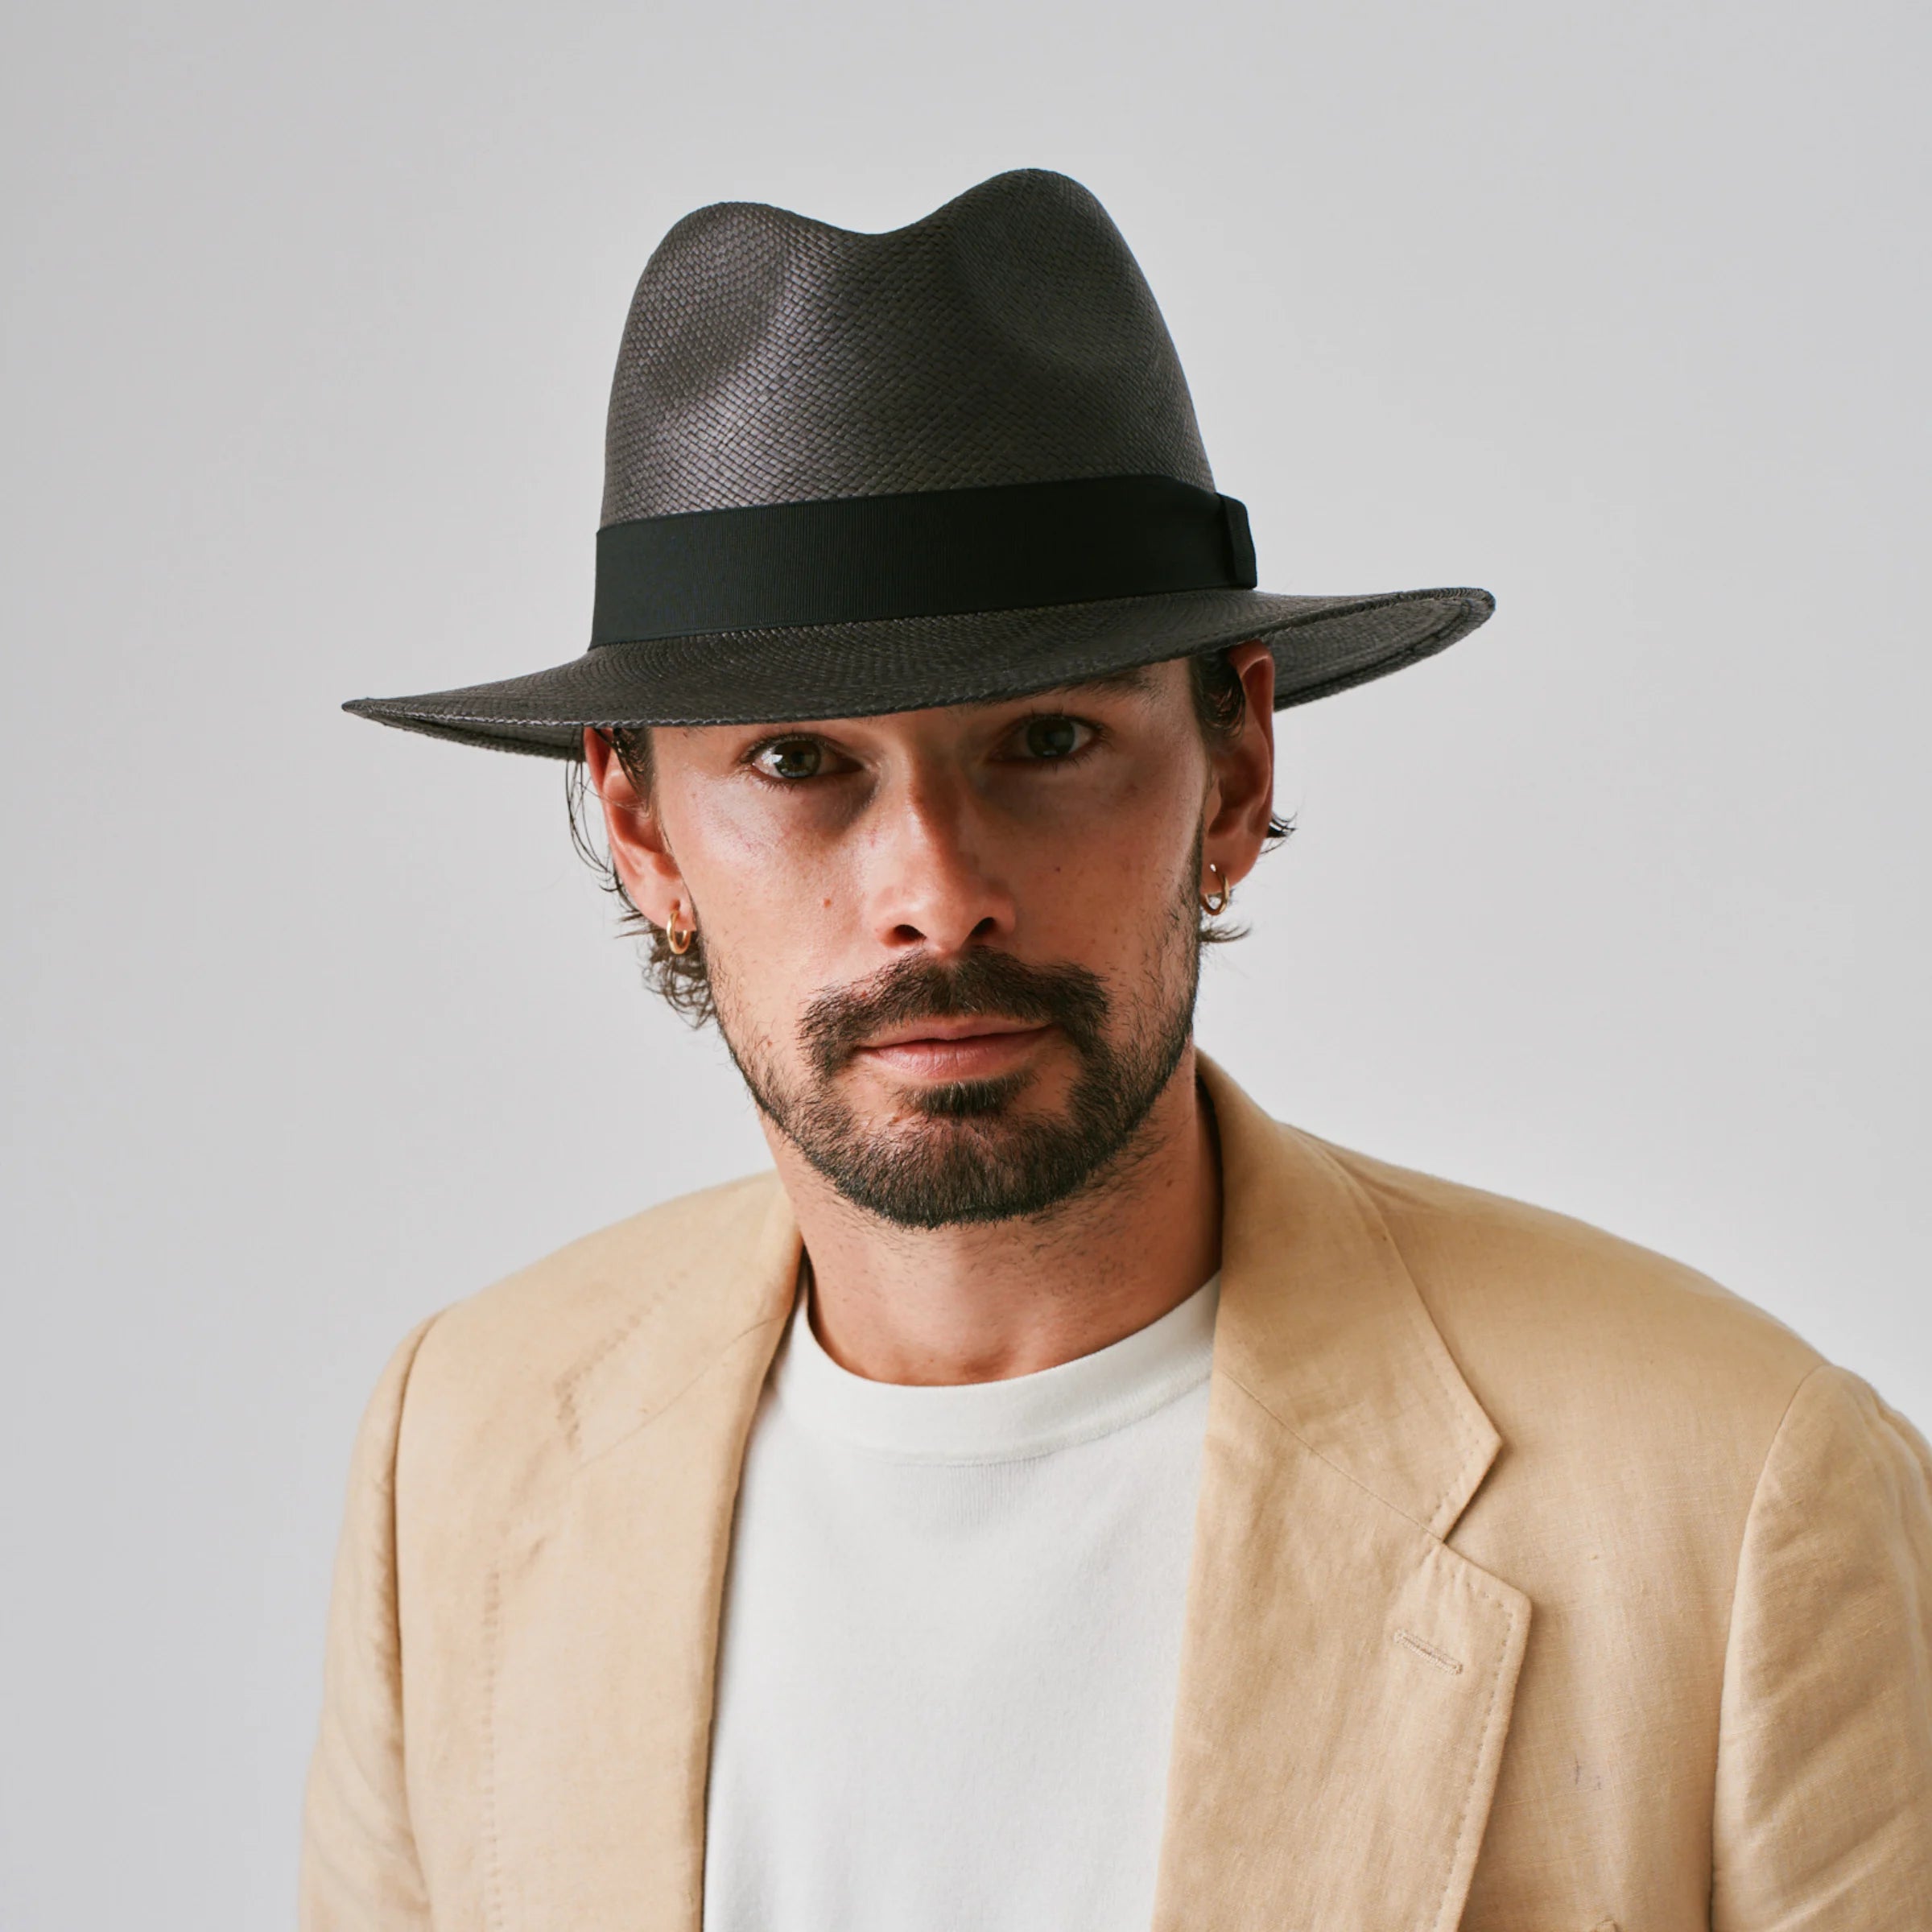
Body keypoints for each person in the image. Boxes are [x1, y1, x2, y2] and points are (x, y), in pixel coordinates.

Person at [308, 169, 1932, 1930]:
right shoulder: (462, 1451)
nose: (937, 893)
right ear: (640, 828)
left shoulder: (1735, 1495)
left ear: (1235, 769)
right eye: (798, 762)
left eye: (1048, 740)